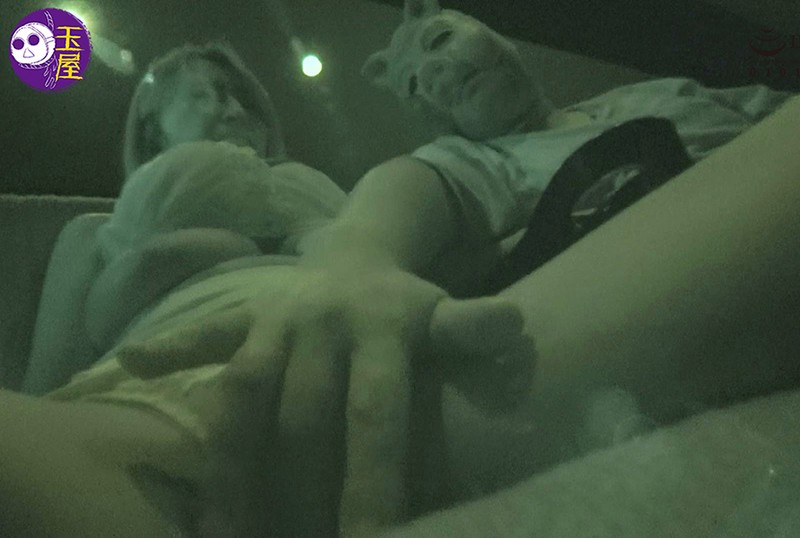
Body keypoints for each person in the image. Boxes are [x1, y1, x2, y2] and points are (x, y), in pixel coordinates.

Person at [115, 1, 800, 535]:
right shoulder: (479, 162)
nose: (436, 78)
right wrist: (354, 258)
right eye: (417, 85)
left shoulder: (672, 94)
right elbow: (403, 192)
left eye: (440, 42)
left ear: (492, 29)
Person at [7, 41, 524, 537]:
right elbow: (50, 381)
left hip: (381, 364)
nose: (233, 109)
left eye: (241, 98)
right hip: (155, 394)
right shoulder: (90, 232)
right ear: (152, 126)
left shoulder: (356, 206)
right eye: (205, 95)